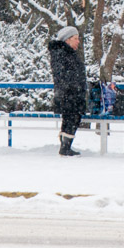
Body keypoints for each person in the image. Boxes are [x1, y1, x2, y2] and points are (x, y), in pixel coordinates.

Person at [48, 25, 87, 157]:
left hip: (70, 93)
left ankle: (66, 146)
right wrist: (75, 86)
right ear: (67, 40)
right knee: (71, 118)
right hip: (69, 94)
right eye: (75, 38)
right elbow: (64, 75)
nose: (78, 41)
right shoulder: (63, 54)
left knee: (71, 119)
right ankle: (65, 147)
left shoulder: (65, 53)